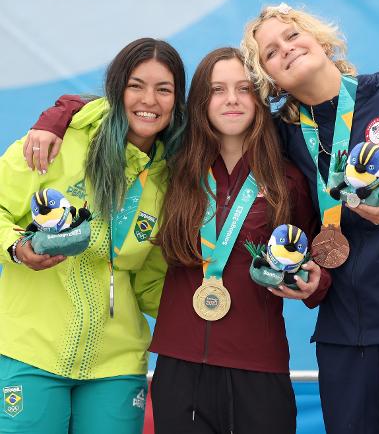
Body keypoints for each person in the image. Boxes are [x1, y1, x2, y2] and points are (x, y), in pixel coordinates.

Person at [22, 47, 332, 434]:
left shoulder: (288, 180)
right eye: (217, 89)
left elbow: (320, 259)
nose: (231, 99)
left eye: (243, 88)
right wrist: (57, 116)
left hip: (259, 365)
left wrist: (315, 282)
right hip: (178, 365)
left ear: (260, 97)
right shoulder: (173, 164)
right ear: (200, 101)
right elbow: (118, 111)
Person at [241, 3, 379, 434]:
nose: (286, 49)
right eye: (270, 53)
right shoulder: (283, 135)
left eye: (292, 35)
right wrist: (306, 274)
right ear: (269, 80)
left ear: (318, 37)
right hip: (342, 336)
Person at [0, 37, 186, 434]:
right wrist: (16, 248)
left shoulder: (169, 178)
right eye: (136, 85)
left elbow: (150, 278)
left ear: (177, 101)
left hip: (116, 364)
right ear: (117, 88)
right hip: (31, 352)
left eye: (164, 89)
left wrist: (208, 308)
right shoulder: (56, 142)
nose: (149, 100)